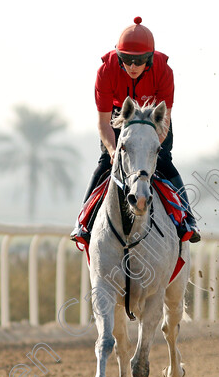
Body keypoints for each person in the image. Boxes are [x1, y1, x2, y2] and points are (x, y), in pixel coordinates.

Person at [71, 16, 201, 244]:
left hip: (154, 119)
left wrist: (151, 150)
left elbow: (165, 118)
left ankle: (187, 219)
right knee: (104, 164)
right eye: (126, 60)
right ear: (118, 56)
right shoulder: (106, 70)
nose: (132, 66)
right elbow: (103, 122)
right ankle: (82, 223)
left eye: (139, 60)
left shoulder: (164, 71)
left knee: (163, 162)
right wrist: (113, 151)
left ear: (150, 59)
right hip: (121, 117)